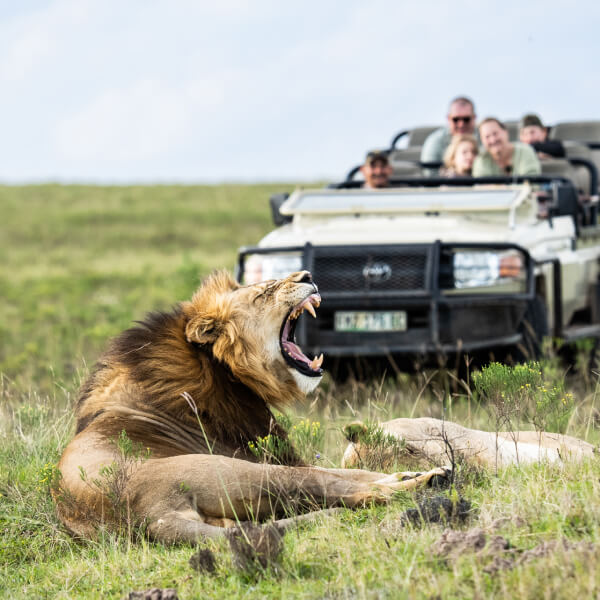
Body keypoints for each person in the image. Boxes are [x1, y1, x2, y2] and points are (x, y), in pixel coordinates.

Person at [473, 118, 541, 176]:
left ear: (505, 132)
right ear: (482, 140)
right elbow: (481, 188)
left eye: (495, 133)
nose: (493, 140)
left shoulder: (525, 151)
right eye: (487, 137)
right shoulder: (481, 159)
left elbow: (532, 183)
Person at [420, 96, 477, 165]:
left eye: (466, 119)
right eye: (456, 119)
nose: (461, 124)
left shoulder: (486, 138)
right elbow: (430, 173)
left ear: (474, 118)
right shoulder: (435, 141)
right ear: (448, 118)